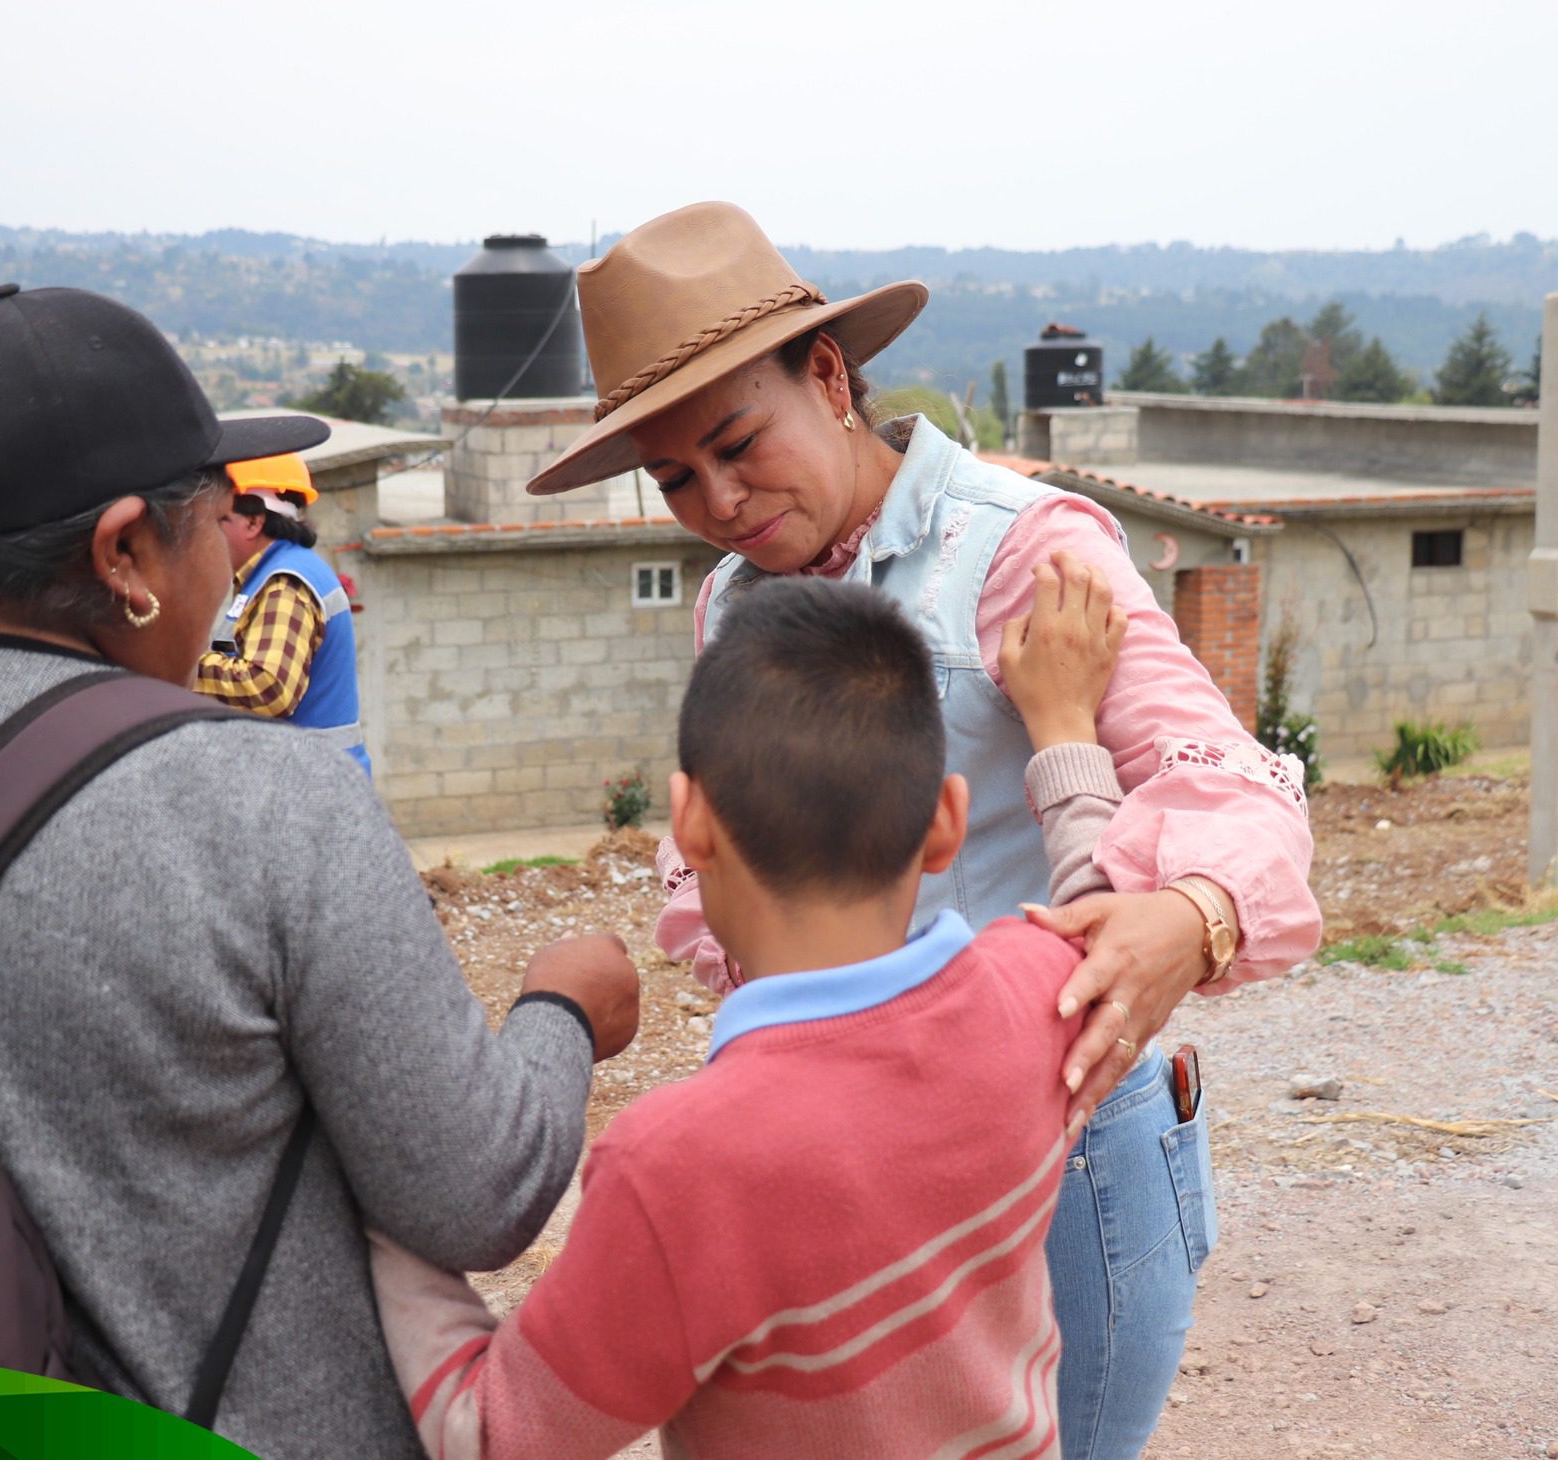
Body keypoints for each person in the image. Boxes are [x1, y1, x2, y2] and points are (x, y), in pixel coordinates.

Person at [0, 286, 640, 1460]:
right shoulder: (262, 803)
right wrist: (560, 1007)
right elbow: (477, 1189)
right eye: (215, 520)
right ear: (126, 550)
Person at [525, 202, 1321, 1458]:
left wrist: (1192, 913)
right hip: (849, 1159)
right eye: (676, 477)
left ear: (828, 376)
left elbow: (1223, 780)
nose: (721, 501)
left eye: (737, 444)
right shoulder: (736, 601)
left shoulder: (1023, 551)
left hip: (1063, 1138)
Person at [366, 572, 1128, 1459]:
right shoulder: (1046, 996)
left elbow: (494, 1432)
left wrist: (367, 1190)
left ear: (688, 824)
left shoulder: (678, 1167)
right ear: (945, 822)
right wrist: (1067, 724)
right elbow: (1105, 906)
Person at [195, 452, 369, 774]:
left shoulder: (284, 584)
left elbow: (268, 686)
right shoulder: (270, 573)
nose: (207, 534)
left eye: (220, 519)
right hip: (309, 780)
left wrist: (180, 666)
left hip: (311, 786)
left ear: (253, 522)